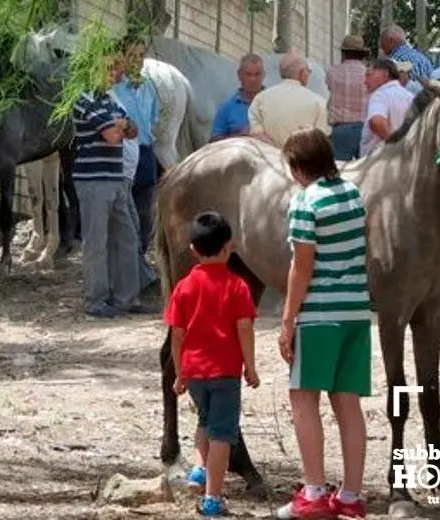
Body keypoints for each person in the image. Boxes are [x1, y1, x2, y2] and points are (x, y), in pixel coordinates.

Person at [276, 127, 370, 520]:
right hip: (356, 311)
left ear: (298, 168)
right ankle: (351, 495)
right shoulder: (352, 194)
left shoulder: (304, 201)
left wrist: (287, 319)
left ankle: (313, 493)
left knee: (304, 397)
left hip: (319, 314)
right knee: (348, 403)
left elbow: (302, 265)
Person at [164, 211, 259, 517]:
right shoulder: (238, 286)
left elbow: (176, 336)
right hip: (225, 373)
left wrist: (179, 373)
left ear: (193, 250)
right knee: (222, 434)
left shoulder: (183, 289)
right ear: (229, 246)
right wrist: (251, 366)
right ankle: (213, 498)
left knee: (205, 422)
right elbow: (244, 329)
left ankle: (198, 469)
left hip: (193, 373)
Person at [72, 54, 151, 318]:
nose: (117, 74)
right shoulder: (86, 101)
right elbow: (114, 137)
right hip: (94, 181)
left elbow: (134, 130)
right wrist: (121, 126)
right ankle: (96, 300)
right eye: (111, 69)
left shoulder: (108, 100)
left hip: (114, 179)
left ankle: (127, 297)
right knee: (96, 241)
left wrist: (124, 125)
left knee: (127, 237)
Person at [110, 37, 159, 291]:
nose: (137, 61)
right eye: (132, 55)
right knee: (127, 219)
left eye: (141, 55)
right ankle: (127, 275)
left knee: (145, 216)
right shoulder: (116, 89)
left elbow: (153, 119)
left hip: (146, 155)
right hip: (124, 158)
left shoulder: (149, 87)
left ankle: (139, 269)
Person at [248, 52, 330, 148]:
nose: (309, 74)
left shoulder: (260, 99)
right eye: (308, 71)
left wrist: (276, 151)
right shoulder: (318, 103)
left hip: (269, 159)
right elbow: (320, 140)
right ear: (302, 73)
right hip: (303, 160)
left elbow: (257, 134)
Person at [325, 35, 369, 160]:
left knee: (339, 172)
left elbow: (329, 86)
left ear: (343, 53)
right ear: (362, 54)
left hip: (340, 130)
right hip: (364, 129)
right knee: (364, 170)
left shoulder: (332, 72)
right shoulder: (368, 73)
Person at [360, 58, 415, 157]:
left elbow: (377, 122)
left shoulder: (380, 95)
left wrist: (394, 145)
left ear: (385, 75)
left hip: (377, 162)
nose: (365, 81)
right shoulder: (409, 96)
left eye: (369, 75)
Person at [211, 54, 265, 142]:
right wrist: (239, 137)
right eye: (248, 74)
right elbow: (214, 141)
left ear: (263, 75)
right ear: (239, 75)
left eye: (257, 74)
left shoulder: (274, 103)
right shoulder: (227, 107)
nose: (253, 79)